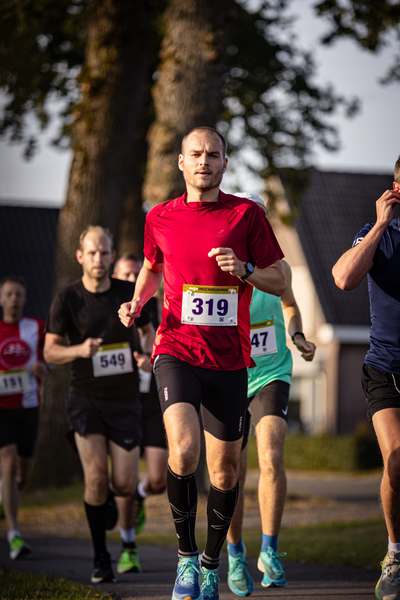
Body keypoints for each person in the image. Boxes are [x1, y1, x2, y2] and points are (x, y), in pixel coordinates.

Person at [118, 126, 286, 600]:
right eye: (196, 154)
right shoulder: (160, 218)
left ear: (225, 163)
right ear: (181, 162)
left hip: (230, 362)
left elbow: (282, 276)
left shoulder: (247, 215)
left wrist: (247, 269)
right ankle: (186, 559)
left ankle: (213, 562)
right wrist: (137, 302)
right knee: (184, 452)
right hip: (176, 350)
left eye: (213, 154)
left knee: (225, 472)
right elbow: (152, 267)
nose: (204, 161)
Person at [44, 226, 153, 583]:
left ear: (111, 255)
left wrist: (145, 354)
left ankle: (111, 500)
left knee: (122, 484)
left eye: (104, 253)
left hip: (124, 402)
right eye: (91, 253)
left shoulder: (128, 292)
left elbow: (148, 331)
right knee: (96, 480)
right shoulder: (67, 299)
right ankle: (100, 558)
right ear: (80, 256)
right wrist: (79, 349)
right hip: (85, 400)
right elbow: (49, 351)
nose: (98, 259)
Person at [224, 194, 316, 595]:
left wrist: (297, 336)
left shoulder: (279, 267)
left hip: (271, 373)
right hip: (229, 376)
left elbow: (291, 305)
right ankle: (234, 554)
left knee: (272, 455)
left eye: (260, 218)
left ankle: (270, 551)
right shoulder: (222, 269)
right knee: (231, 474)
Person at [332, 157, 400, 600]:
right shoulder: (379, 234)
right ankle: (396, 554)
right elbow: (342, 278)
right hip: (386, 368)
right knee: (397, 460)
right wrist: (378, 225)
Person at [112, 254, 168, 551]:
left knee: (159, 479)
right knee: (125, 476)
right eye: (125, 275)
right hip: (121, 402)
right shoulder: (111, 311)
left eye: (137, 275)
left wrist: (152, 360)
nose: (132, 281)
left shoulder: (161, 309)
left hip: (154, 402)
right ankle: (128, 547)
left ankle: (141, 495)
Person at [0, 275, 48, 559]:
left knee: (21, 476)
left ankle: (6, 498)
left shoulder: (36, 327)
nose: (14, 299)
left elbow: (49, 356)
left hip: (29, 406)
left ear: (25, 298)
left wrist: (45, 367)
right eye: (8, 294)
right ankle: (14, 534)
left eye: (18, 294)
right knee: (7, 459)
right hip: (1, 408)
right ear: (1, 299)